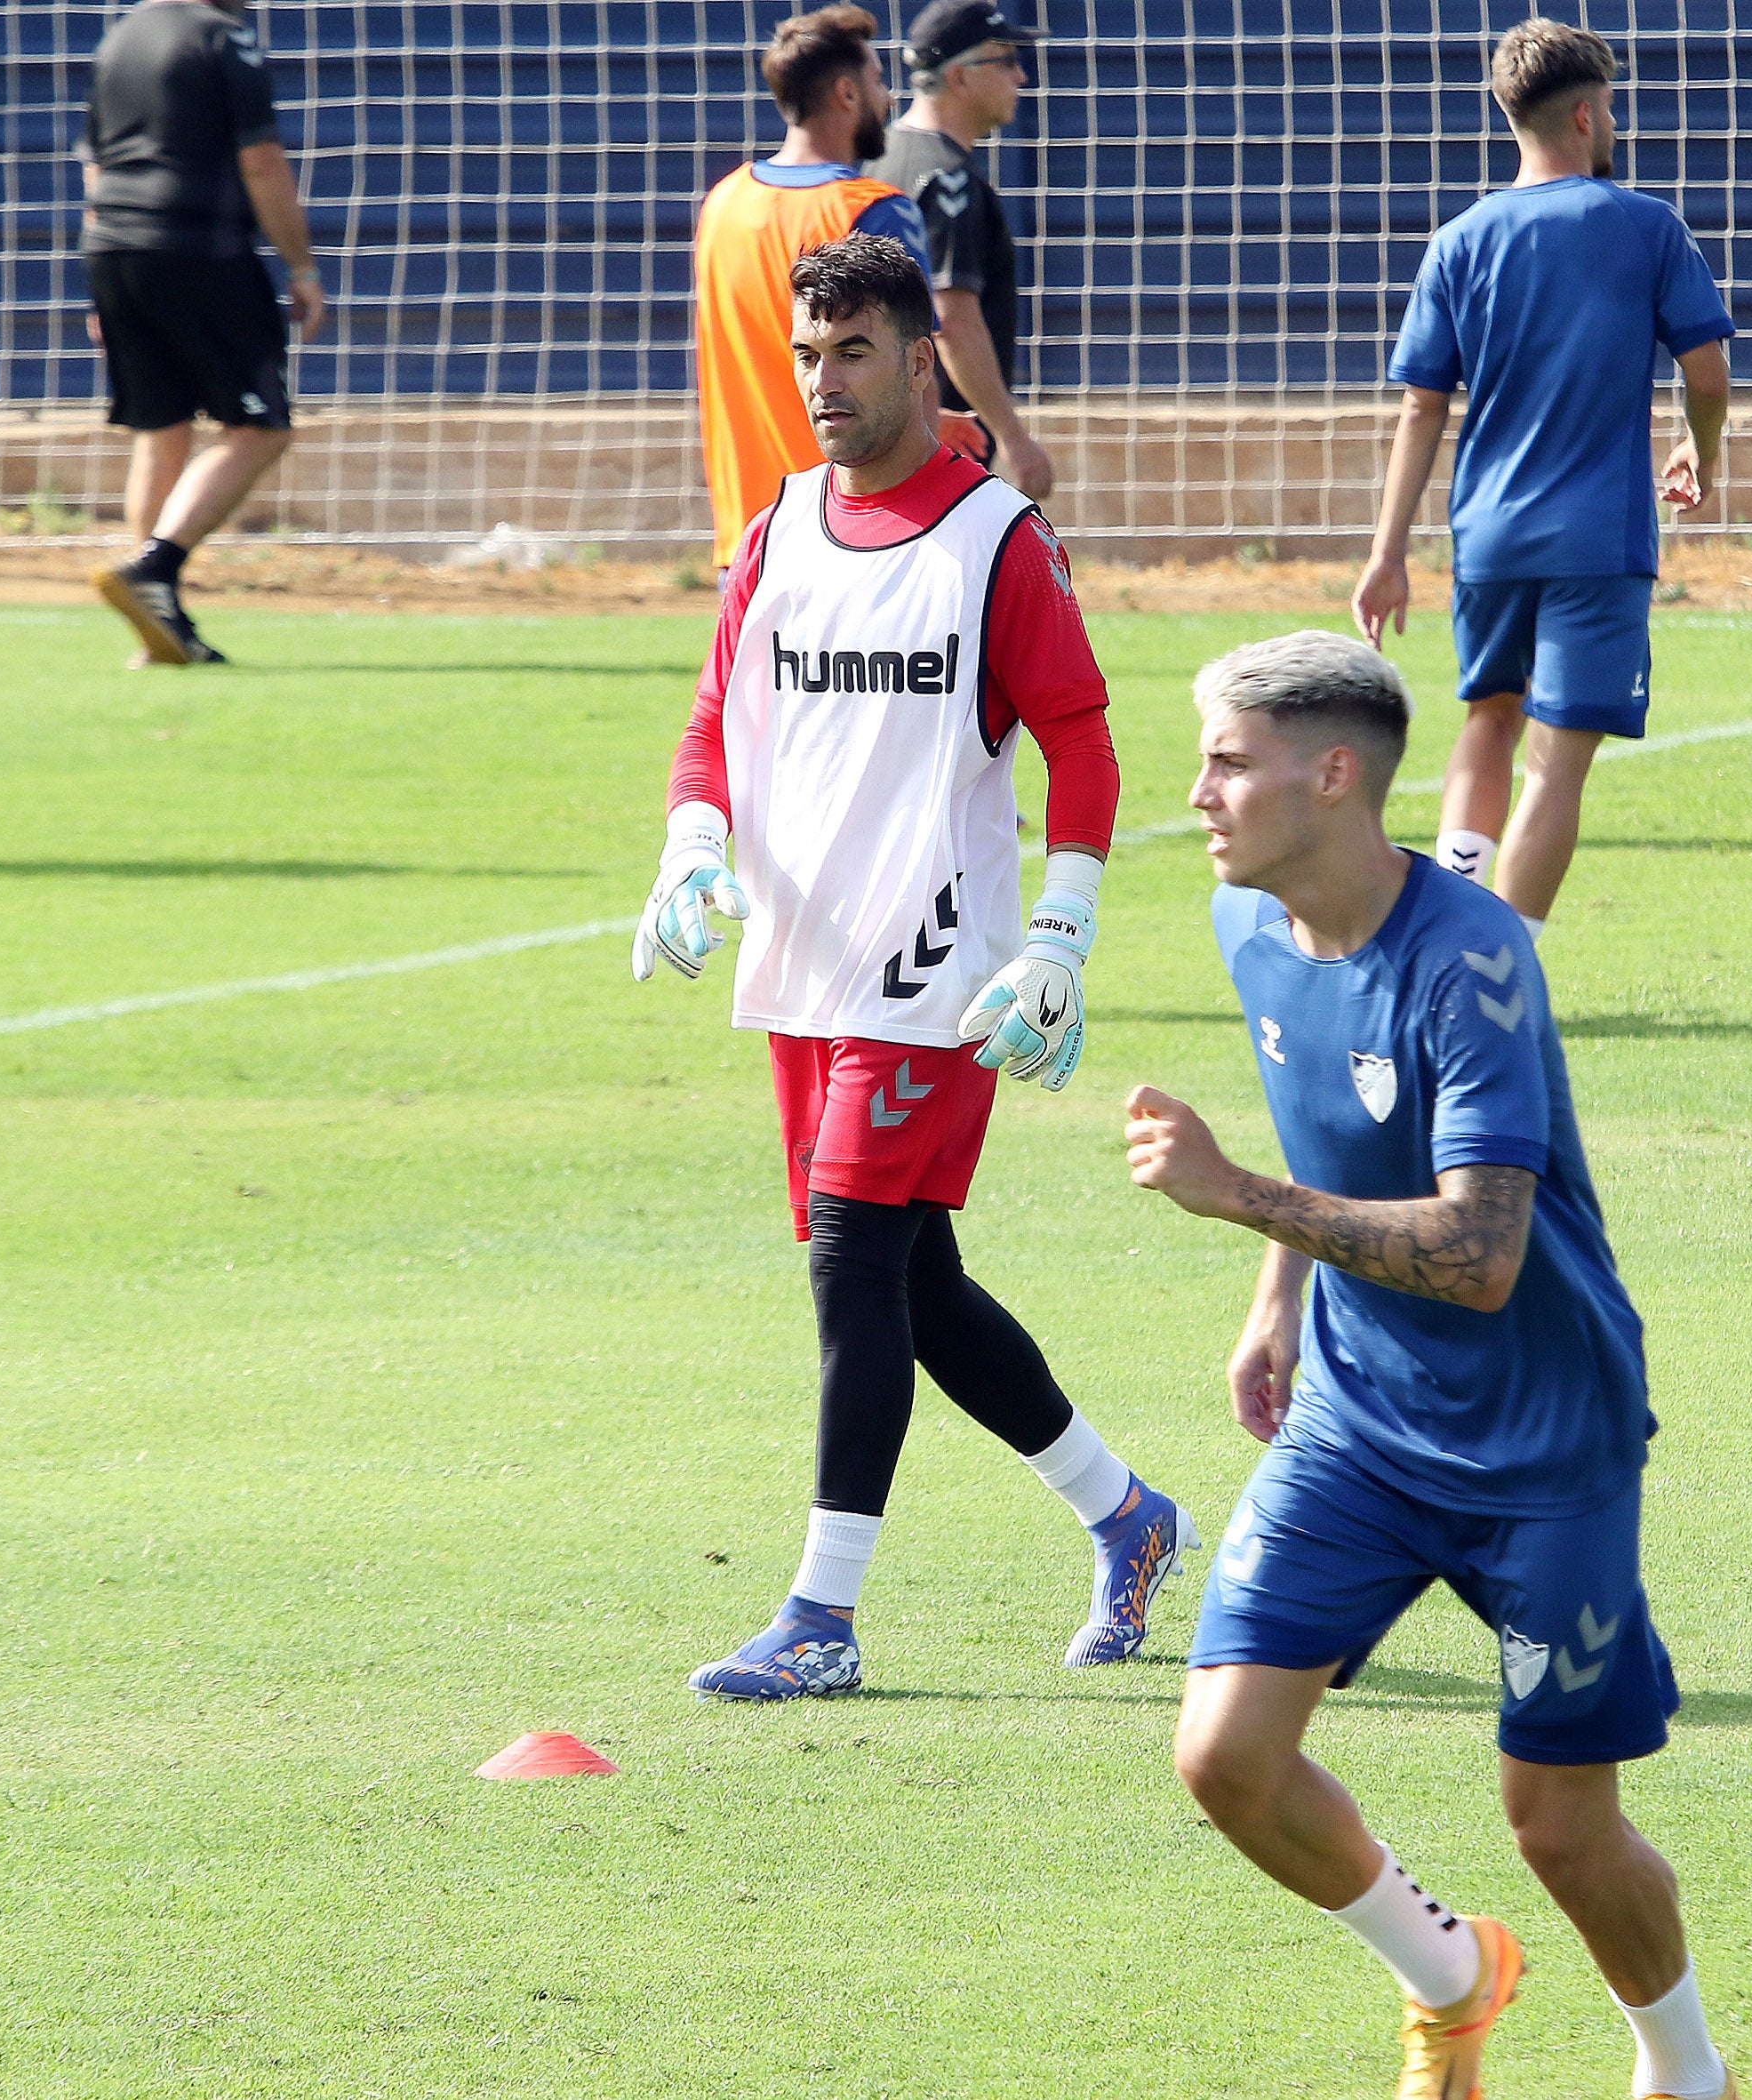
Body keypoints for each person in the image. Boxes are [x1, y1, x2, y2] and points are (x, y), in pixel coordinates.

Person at [1124, 631, 1736, 2100]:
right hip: (1357, 1422)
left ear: (1330, 775)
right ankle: (1451, 1973)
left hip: (1542, 1446)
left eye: (1224, 760)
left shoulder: (1472, 960)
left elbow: (1481, 1253)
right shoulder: (1250, 922)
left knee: (1560, 1824)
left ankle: (1685, 2071)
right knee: (1224, 1759)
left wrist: (1243, 1204)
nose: (1196, 793)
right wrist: (1275, 1297)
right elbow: (1332, 1125)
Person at [634, 234, 1184, 1700]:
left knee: (852, 1265)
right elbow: (713, 715)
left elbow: (1081, 740)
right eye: (806, 355)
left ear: (918, 353)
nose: (820, 382)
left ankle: (819, 1616)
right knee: (913, 1280)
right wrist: (692, 841)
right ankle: (1123, 1515)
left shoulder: (992, 537)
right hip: (798, 967)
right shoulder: (779, 527)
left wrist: (1060, 930)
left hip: (937, 972)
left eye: (851, 352)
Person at [1348, 18, 1732, 936]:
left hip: (1488, 532)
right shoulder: (1645, 225)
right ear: (1590, 115)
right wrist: (1700, 449)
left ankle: (1442, 934)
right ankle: (1495, 969)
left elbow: (1420, 407)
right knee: (1557, 763)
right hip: (1598, 538)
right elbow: (1708, 375)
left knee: (1487, 721)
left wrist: (1386, 554)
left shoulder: (1459, 240)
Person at [81, 0, 329, 668]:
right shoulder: (225, 40)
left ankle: (156, 632)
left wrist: (101, 284)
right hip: (198, 249)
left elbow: (98, 168)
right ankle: (154, 569)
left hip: (112, 248)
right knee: (261, 428)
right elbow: (261, 162)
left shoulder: (120, 41)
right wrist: (301, 268)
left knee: (161, 431)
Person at [691, 4, 933, 572]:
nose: (887, 97)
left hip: (750, 534)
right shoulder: (875, 210)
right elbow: (913, 367)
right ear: (847, 93)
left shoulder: (723, 203)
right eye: (877, 80)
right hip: (857, 528)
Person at [862, 0, 1055, 501]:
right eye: (1006, 60)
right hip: (939, 444)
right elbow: (954, 320)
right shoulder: (949, 181)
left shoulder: (876, 158)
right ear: (961, 77)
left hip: (885, 428)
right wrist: (1014, 438)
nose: (1022, 76)